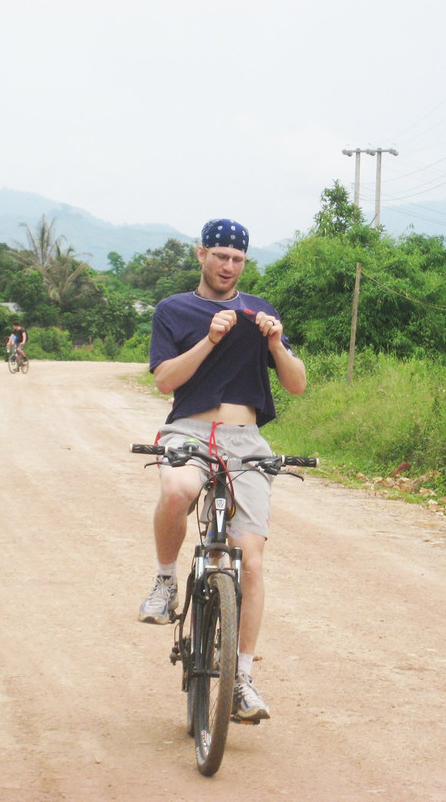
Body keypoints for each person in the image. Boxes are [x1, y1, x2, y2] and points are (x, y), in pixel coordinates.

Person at [138, 218, 306, 722]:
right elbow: (166, 382)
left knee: (251, 562)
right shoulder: (174, 309)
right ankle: (166, 580)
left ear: (244, 263)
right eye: (220, 256)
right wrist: (209, 339)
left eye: (237, 259)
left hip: (245, 439)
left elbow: (296, 385)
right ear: (201, 255)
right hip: (190, 430)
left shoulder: (261, 312)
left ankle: (243, 679)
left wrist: (276, 344)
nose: (228, 266)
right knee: (177, 488)